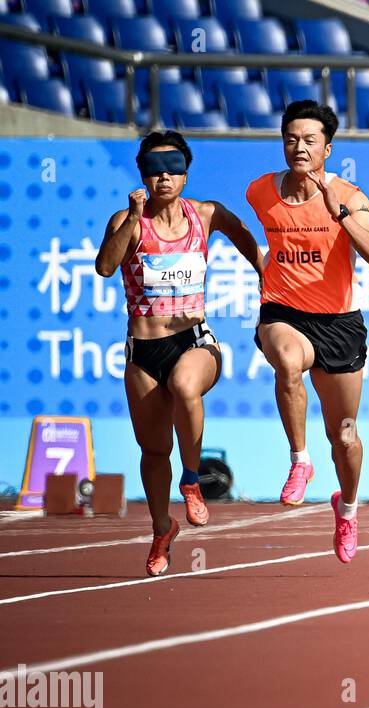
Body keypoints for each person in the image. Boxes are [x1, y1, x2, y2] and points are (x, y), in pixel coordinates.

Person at [95, 130, 263, 576]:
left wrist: (265, 274)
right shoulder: (126, 220)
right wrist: (132, 219)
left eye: (172, 167)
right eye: (153, 168)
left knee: (186, 386)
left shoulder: (205, 214)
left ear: (186, 175)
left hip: (194, 341)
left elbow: (242, 232)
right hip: (143, 350)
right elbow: (106, 266)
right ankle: (160, 529)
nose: (163, 176)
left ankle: (192, 481)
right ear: (143, 177)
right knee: (152, 452)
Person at [247, 100, 369, 564]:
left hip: (339, 326)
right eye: (291, 139)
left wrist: (341, 212)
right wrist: (261, 271)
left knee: (345, 436)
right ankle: (299, 460)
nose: (299, 148)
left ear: (328, 147)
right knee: (286, 361)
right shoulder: (261, 191)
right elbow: (243, 230)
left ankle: (347, 509)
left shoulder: (351, 196)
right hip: (283, 311)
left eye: (310, 140)